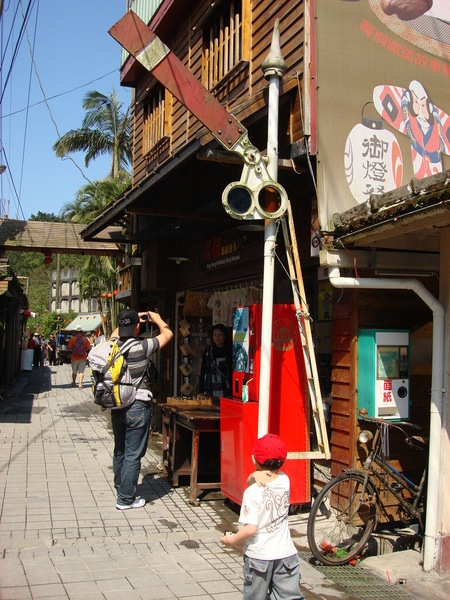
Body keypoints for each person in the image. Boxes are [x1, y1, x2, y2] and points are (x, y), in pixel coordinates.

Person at [220, 433, 304, 600]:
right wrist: (254, 475)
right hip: (286, 555)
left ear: (253, 459)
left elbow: (251, 529)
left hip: (259, 557)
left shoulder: (251, 492)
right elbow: (260, 478)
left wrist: (232, 540)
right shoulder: (285, 480)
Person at [110, 308, 173, 510]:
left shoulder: (112, 345)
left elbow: (114, 333)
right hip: (137, 406)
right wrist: (157, 319)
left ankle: (121, 486)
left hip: (117, 404)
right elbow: (168, 335)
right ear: (137, 327)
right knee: (133, 454)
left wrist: (128, 321)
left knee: (120, 449)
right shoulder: (142, 346)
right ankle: (126, 499)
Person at [199, 323, 232, 397]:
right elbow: (203, 371)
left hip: (225, 388)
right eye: (215, 335)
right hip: (209, 387)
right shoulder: (207, 351)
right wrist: (200, 390)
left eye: (220, 335)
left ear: (225, 336)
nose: (217, 337)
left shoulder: (229, 351)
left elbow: (231, 371)